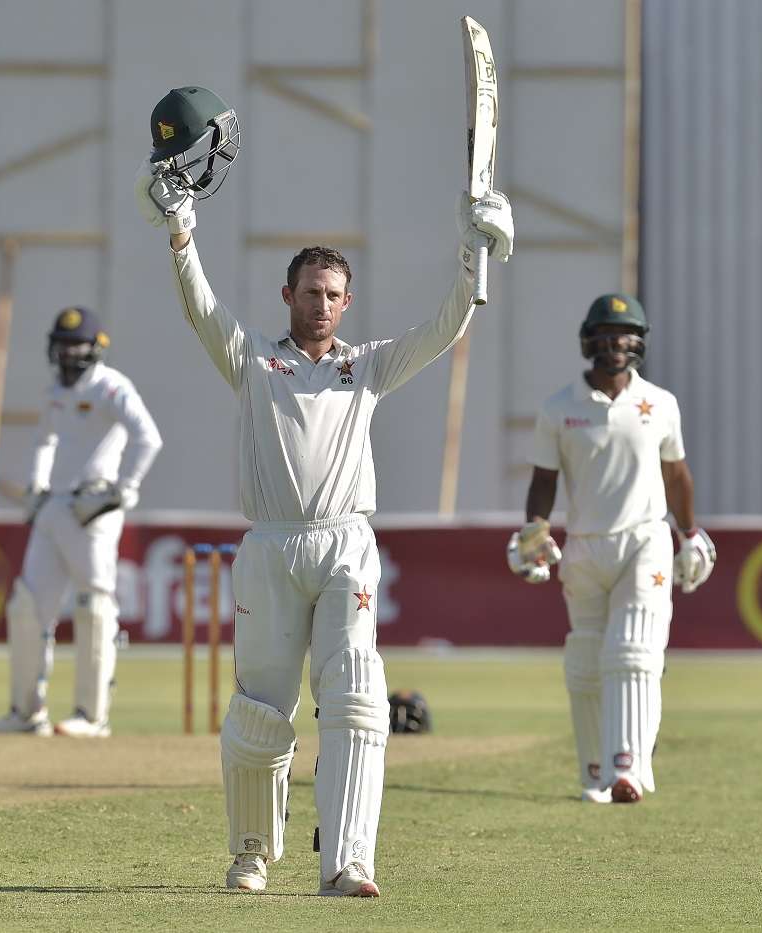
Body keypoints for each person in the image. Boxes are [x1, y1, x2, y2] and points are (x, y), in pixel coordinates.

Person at [136, 85, 514, 896]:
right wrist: (180, 231)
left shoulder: (367, 365)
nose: (321, 306)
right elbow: (199, 306)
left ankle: (347, 862)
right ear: (288, 297)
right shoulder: (254, 360)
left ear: (347, 303)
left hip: (346, 541)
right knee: (260, 712)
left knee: (354, 696)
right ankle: (250, 852)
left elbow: (447, 325)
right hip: (271, 545)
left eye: (334, 295)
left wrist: (474, 247)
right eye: (310, 293)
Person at [507, 293, 716, 804]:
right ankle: (595, 770)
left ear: (639, 344)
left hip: (645, 539)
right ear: (588, 342)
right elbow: (543, 481)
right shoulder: (559, 408)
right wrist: (535, 532)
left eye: (625, 335)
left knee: (633, 651)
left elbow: (676, 474)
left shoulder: (660, 403)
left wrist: (688, 534)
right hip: (584, 547)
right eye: (605, 335)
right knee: (585, 660)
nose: (615, 344)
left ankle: (629, 767)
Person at [0, 306, 162, 739]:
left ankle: (92, 715)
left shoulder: (110, 387)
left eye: (76, 346)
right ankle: (26, 713)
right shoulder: (55, 392)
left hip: (93, 509)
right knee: (27, 607)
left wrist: (124, 488)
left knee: (95, 606)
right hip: (54, 507)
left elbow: (148, 437)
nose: (67, 354)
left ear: (95, 348)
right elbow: (45, 441)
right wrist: (36, 488)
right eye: (61, 345)